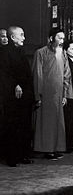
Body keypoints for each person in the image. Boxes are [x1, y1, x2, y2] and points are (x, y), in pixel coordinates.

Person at [33, 28, 72, 160]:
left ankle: (56, 148)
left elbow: (67, 75)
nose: (61, 41)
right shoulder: (41, 53)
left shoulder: (63, 53)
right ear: (51, 38)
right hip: (46, 93)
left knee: (58, 122)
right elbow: (37, 74)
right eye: (59, 38)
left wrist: (65, 94)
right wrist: (38, 95)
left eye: (63, 38)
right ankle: (47, 150)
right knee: (47, 122)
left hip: (59, 93)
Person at [0, 26, 34, 167]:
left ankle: (22, 155)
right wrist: (16, 85)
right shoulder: (5, 53)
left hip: (24, 96)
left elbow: (26, 74)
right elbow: (5, 74)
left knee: (24, 125)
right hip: (12, 97)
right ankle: (12, 157)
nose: (24, 38)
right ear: (12, 37)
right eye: (21, 35)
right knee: (12, 126)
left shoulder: (21, 52)